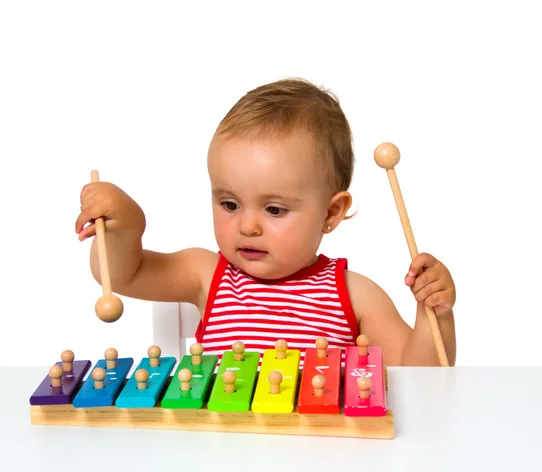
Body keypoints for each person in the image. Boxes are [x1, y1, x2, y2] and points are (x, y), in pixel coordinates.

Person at [75, 78, 456, 367]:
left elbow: (419, 377)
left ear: (331, 213)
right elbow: (125, 274)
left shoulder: (353, 295)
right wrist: (126, 225)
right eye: (229, 203)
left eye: (274, 210)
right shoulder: (207, 275)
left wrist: (433, 312)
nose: (248, 226)